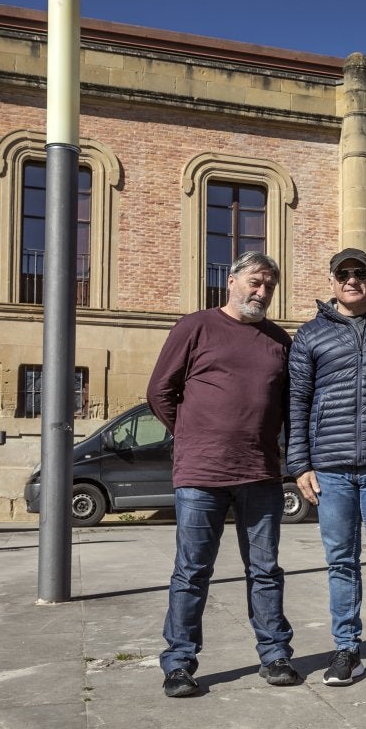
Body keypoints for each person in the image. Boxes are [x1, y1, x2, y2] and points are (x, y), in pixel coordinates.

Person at [148, 251, 301, 697]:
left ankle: (275, 656)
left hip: (260, 473)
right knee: (192, 570)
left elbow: (289, 405)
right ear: (230, 280)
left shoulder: (278, 340)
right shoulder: (195, 327)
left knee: (266, 569)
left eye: (269, 286)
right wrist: (192, 434)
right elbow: (160, 391)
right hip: (201, 473)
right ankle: (179, 663)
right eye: (255, 282)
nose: (262, 292)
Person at [287, 247, 366, 690]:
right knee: (340, 562)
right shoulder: (310, 335)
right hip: (331, 468)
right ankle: (346, 649)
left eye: (360, 272)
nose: (352, 280)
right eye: (344, 273)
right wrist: (299, 463)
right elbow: (296, 402)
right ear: (333, 280)